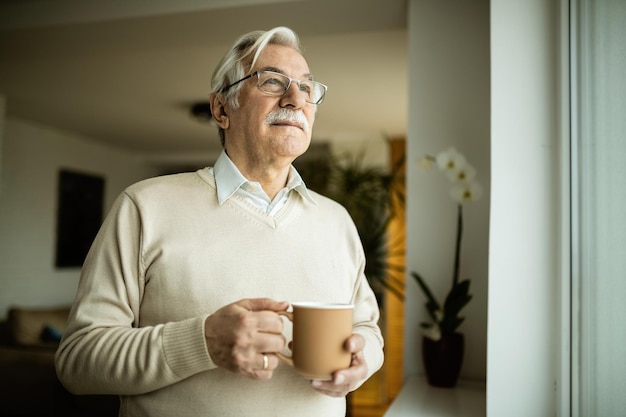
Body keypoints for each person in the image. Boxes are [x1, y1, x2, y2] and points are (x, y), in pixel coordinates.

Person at [55, 26, 383, 417]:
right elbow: (77, 362)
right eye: (273, 82)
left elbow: (368, 330)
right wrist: (202, 343)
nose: (296, 99)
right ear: (221, 109)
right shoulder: (144, 206)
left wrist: (365, 360)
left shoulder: (337, 221)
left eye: (307, 88)